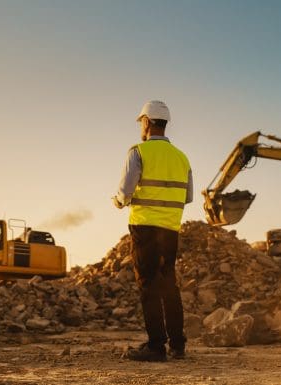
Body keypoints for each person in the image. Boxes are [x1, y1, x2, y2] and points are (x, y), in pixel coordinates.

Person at [113, 100, 193, 362]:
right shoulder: (182, 158)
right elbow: (188, 197)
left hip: (145, 228)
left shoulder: (138, 152)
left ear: (146, 122)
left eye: (141, 123)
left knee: (148, 286)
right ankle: (178, 346)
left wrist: (118, 201)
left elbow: (124, 193)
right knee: (169, 284)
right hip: (170, 229)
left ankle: (156, 346)